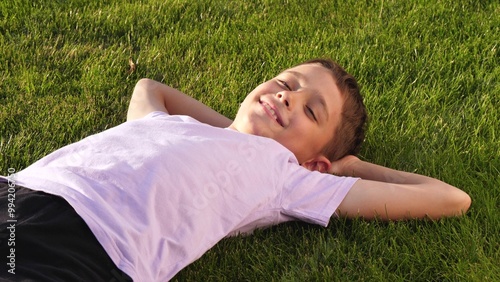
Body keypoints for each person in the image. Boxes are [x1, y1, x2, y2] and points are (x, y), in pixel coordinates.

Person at [0, 58, 471, 281]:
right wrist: (230, 129)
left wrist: (349, 168)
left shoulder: (290, 178)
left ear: (314, 161)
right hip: (19, 190)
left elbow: (451, 198)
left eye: (311, 111)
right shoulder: (177, 125)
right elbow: (149, 88)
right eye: (288, 83)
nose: (289, 95)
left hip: (90, 245)